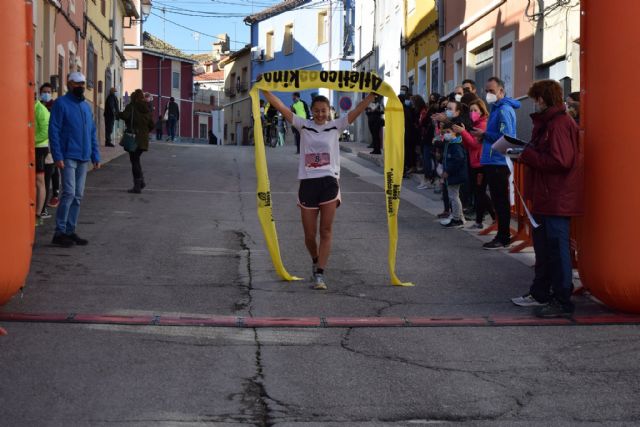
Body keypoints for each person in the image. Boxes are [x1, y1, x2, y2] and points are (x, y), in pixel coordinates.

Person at [261, 88, 376, 290]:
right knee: (309, 234)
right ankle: (315, 260)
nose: (320, 114)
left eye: (324, 111)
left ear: (329, 111)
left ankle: (320, 273)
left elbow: (357, 111)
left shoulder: (336, 126)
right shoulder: (303, 125)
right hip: (308, 184)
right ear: (311, 111)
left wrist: (371, 97)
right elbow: (281, 107)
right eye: (317, 111)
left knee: (326, 230)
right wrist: (265, 92)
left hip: (329, 183)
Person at [511, 79, 584, 318]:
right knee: (544, 248)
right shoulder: (551, 122)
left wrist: (528, 155)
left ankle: (561, 299)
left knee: (556, 248)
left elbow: (561, 161)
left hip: (555, 196)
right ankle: (541, 291)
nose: (535, 103)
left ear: (542, 99)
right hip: (548, 195)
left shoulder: (559, 124)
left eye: (536, 99)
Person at [48, 71, 101, 247]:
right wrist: (57, 156)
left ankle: (70, 231)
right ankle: (60, 232)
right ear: (69, 84)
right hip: (68, 156)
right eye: (77, 83)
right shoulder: (61, 104)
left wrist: (95, 155)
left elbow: (92, 133)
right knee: (69, 193)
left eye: (82, 83)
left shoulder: (86, 107)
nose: (80, 86)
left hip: (83, 157)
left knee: (78, 196)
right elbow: (54, 130)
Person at [474, 76, 521, 249]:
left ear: (501, 91)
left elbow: (505, 136)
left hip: (498, 161)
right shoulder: (496, 108)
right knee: (497, 200)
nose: (488, 94)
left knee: (500, 201)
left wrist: (484, 134)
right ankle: (502, 234)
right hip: (493, 159)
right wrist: (484, 137)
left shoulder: (503, 110)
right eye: (486, 91)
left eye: (491, 91)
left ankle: (503, 237)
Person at [456, 98, 494, 229]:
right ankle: (484, 220)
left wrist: (463, 132)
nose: (473, 113)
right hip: (474, 162)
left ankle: (486, 219)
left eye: (475, 110)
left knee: (480, 193)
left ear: (481, 111)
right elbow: (468, 144)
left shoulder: (483, 125)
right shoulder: (474, 125)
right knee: (479, 192)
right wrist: (463, 134)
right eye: (471, 110)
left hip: (481, 164)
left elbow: (475, 144)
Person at [118, 89, 155, 193]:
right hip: (143, 139)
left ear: (133, 98)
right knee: (136, 160)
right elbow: (152, 125)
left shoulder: (131, 106)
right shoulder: (147, 108)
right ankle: (141, 182)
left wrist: (117, 113)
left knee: (134, 161)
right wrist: (145, 132)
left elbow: (125, 116)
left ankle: (137, 185)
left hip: (134, 138)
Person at [440, 122, 468, 228]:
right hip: (453, 174)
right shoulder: (450, 144)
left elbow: (458, 160)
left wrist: (448, 171)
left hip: (455, 175)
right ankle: (460, 217)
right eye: (444, 132)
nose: (446, 134)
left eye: (448, 132)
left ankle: (457, 219)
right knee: (454, 196)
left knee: (454, 196)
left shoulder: (455, 145)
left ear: (455, 133)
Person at [34, 85, 51, 226]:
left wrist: (30, 141)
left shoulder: (40, 109)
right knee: (37, 182)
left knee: (40, 181)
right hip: (37, 147)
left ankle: (38, 214)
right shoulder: (36, 108)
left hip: (39, 149)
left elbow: (45, 131)